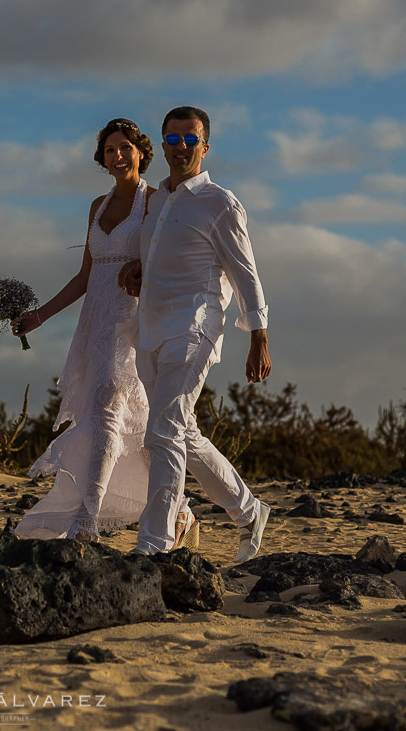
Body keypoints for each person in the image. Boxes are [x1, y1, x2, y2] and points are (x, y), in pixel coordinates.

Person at [11, 118, 193, 545]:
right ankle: (181, 510)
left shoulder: (153, 201)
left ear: (141, 153)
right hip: (94, 319)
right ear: (103, 158)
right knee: (131, 419)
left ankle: (87, 519)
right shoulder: (96, 206)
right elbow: (84, 276)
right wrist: (40, 315)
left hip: (132, 319)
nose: (118, 156)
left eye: (125, 148)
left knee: (114, 404)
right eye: (110, 150)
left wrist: (144, 272)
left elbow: (167, 259)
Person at [119, 105, 273, 562]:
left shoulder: (220, 202)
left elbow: (245, 273)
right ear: (162, 144)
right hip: (149, 327)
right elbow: (163, 256)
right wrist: (137, 267)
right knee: (181, 432)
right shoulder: (156, 202)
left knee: (162, 432)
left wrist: (259, 336)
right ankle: (249, 512)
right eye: (173, 139)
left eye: (191, 140)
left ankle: (155, 543)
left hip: (195, 326)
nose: (181, 147)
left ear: (205, 147)